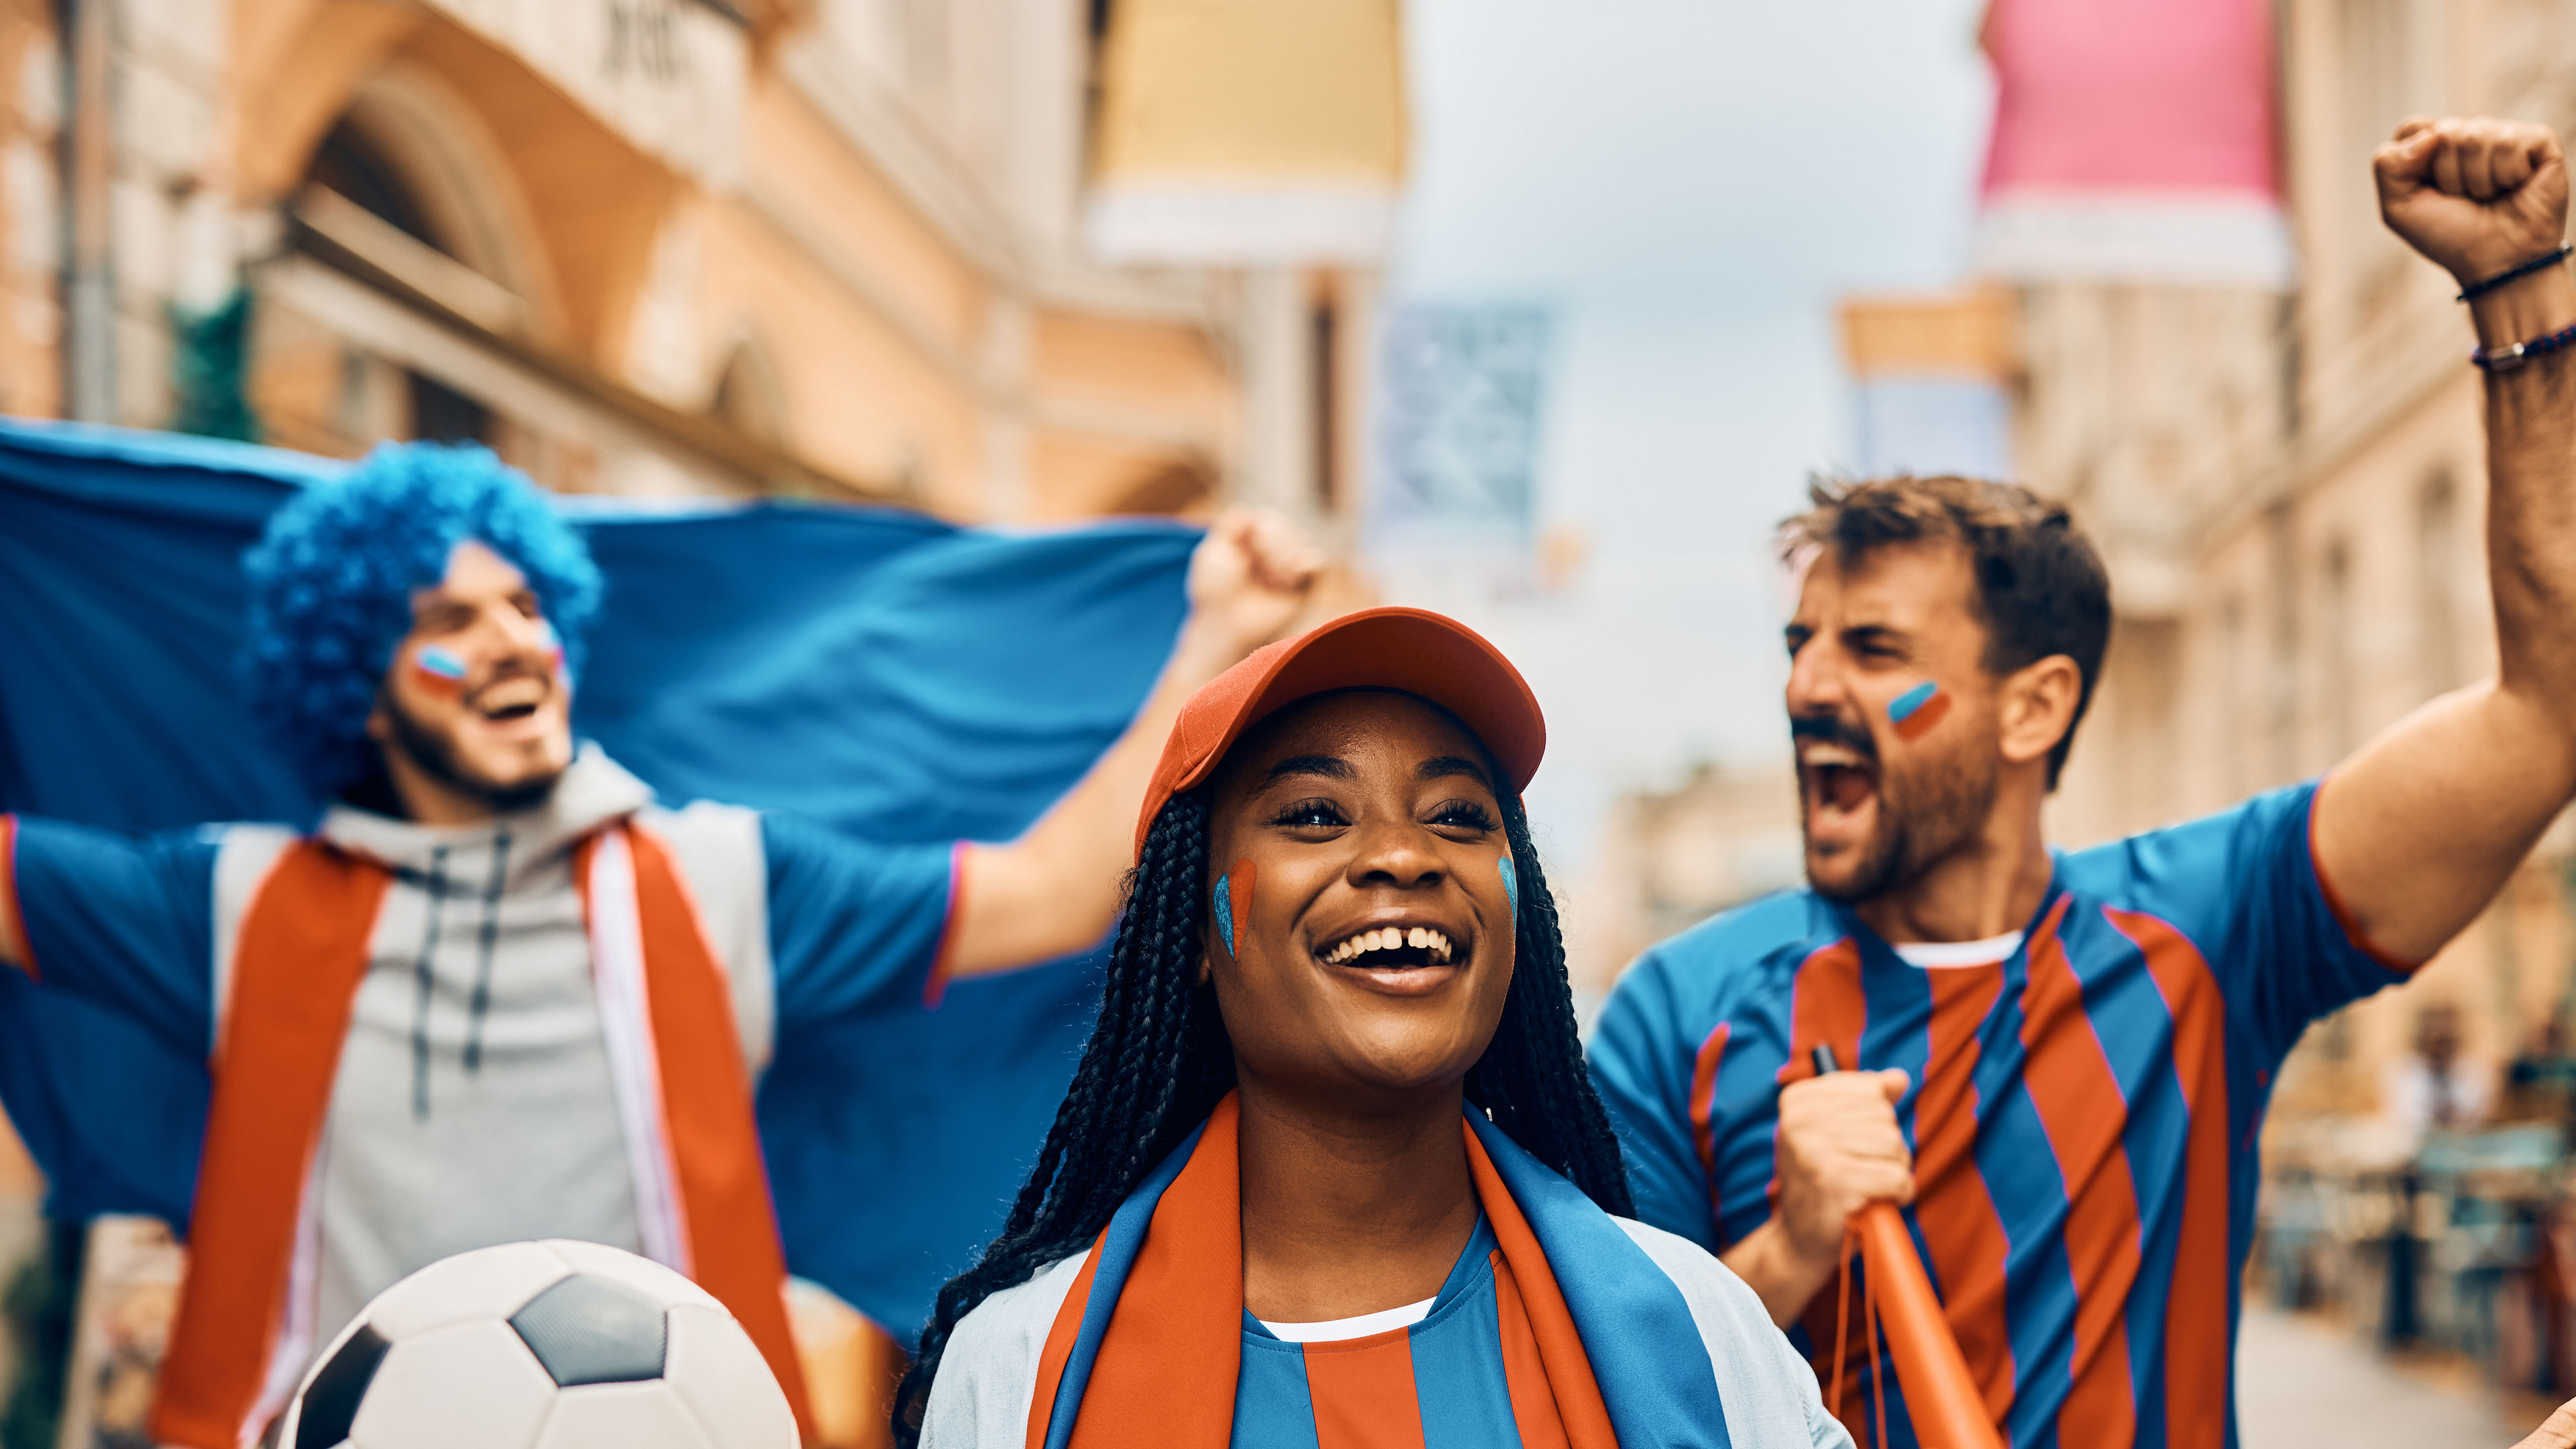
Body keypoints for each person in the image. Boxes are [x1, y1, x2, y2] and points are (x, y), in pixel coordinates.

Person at [0, 442, 1322, 1448]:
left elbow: (1051, 894)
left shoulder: (717, 878)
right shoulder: (231, 899)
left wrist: (1208, 634)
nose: (507, 638)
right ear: (361, 682)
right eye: (446, 623)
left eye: (523, 607)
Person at [1590, 115, 2576, 1448]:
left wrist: (2519, 295)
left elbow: (2549, 710)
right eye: (1799, 645)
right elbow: (1604, 1407)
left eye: (1875, 650)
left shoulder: (2213, 923)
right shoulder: (1681, 1009)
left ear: (2033, 706)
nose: (1808, 686)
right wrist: (1787, 1249)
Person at [900, 608, 1849, 1448]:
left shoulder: (1703, 1334)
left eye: (1458, 817)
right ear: (1193, 928)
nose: (1403, 853)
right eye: (1314, 815)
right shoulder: (1022, 1374)